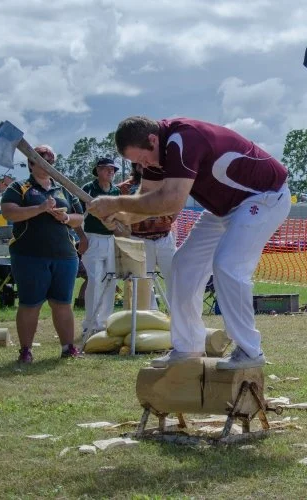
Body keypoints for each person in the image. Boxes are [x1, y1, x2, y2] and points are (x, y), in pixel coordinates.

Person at [87, 116, 290, 370]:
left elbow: (171, 201)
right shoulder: (156, 151)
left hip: (264, 198)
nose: (142, 166)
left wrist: (115, 204)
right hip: (223, 209)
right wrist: (122, 217)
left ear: (152, 139)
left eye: (142, 159)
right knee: (183, 265)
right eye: (137, 163)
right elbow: (147, 199)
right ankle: (188, 346)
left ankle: (250, 351)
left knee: (228, 265)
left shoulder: (182, 140)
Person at [0, 145, 85, 363]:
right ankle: (26, 350)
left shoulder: (64, 188)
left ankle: (68, 348)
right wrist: (40, 208)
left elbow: (79, 217)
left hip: (65, 255)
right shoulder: (20, 187)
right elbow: (8, 212)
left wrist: (65, 218)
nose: (47, 164)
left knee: (63, 303)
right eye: (41, 159)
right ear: (31, 163)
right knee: (30, 303)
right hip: (30, 255)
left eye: (50, 160)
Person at [117, 162, 177, 310]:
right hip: (139, 238)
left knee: (174, 277)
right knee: (143, 281)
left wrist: (169, 219)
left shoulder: (163, 183)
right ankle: (151, 315)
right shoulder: (124, 188)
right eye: (142, 165)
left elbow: (176, 203)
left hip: (165, 237)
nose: (146, 168)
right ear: (136, 167)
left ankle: (175, 314)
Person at [78, 158, 121, 340]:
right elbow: (78, 216)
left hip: (110, 239)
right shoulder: (88, 189)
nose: (110, 172)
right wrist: (81, 238)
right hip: (92, 238)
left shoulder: (116, 190)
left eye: (112, 169)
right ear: (98, 170)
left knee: (110, 281)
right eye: (106, 169)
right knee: (95, 281)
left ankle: (105, 322)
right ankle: (90, 324)